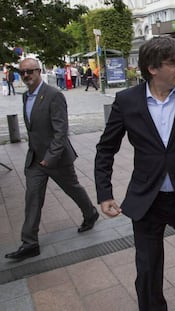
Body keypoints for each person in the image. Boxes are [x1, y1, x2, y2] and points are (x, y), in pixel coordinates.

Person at [94, 36, 175, 310]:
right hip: (147, 200)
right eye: (173, 63)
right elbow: (106, 149)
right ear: (153, 69)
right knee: (148, 270)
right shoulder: (127, 101)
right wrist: (104, 193)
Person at [4, 58, 99, 261]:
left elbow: (60, 131)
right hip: (35, 160)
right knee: (32, 198)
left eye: (30, 71)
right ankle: (29, 243)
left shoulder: (53, 95)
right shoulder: (25, 96)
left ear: (39, 71)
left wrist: (50, 158)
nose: (26, 75)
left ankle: (90, 213)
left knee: (72, 188)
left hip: (56, 158)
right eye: (23, 73)